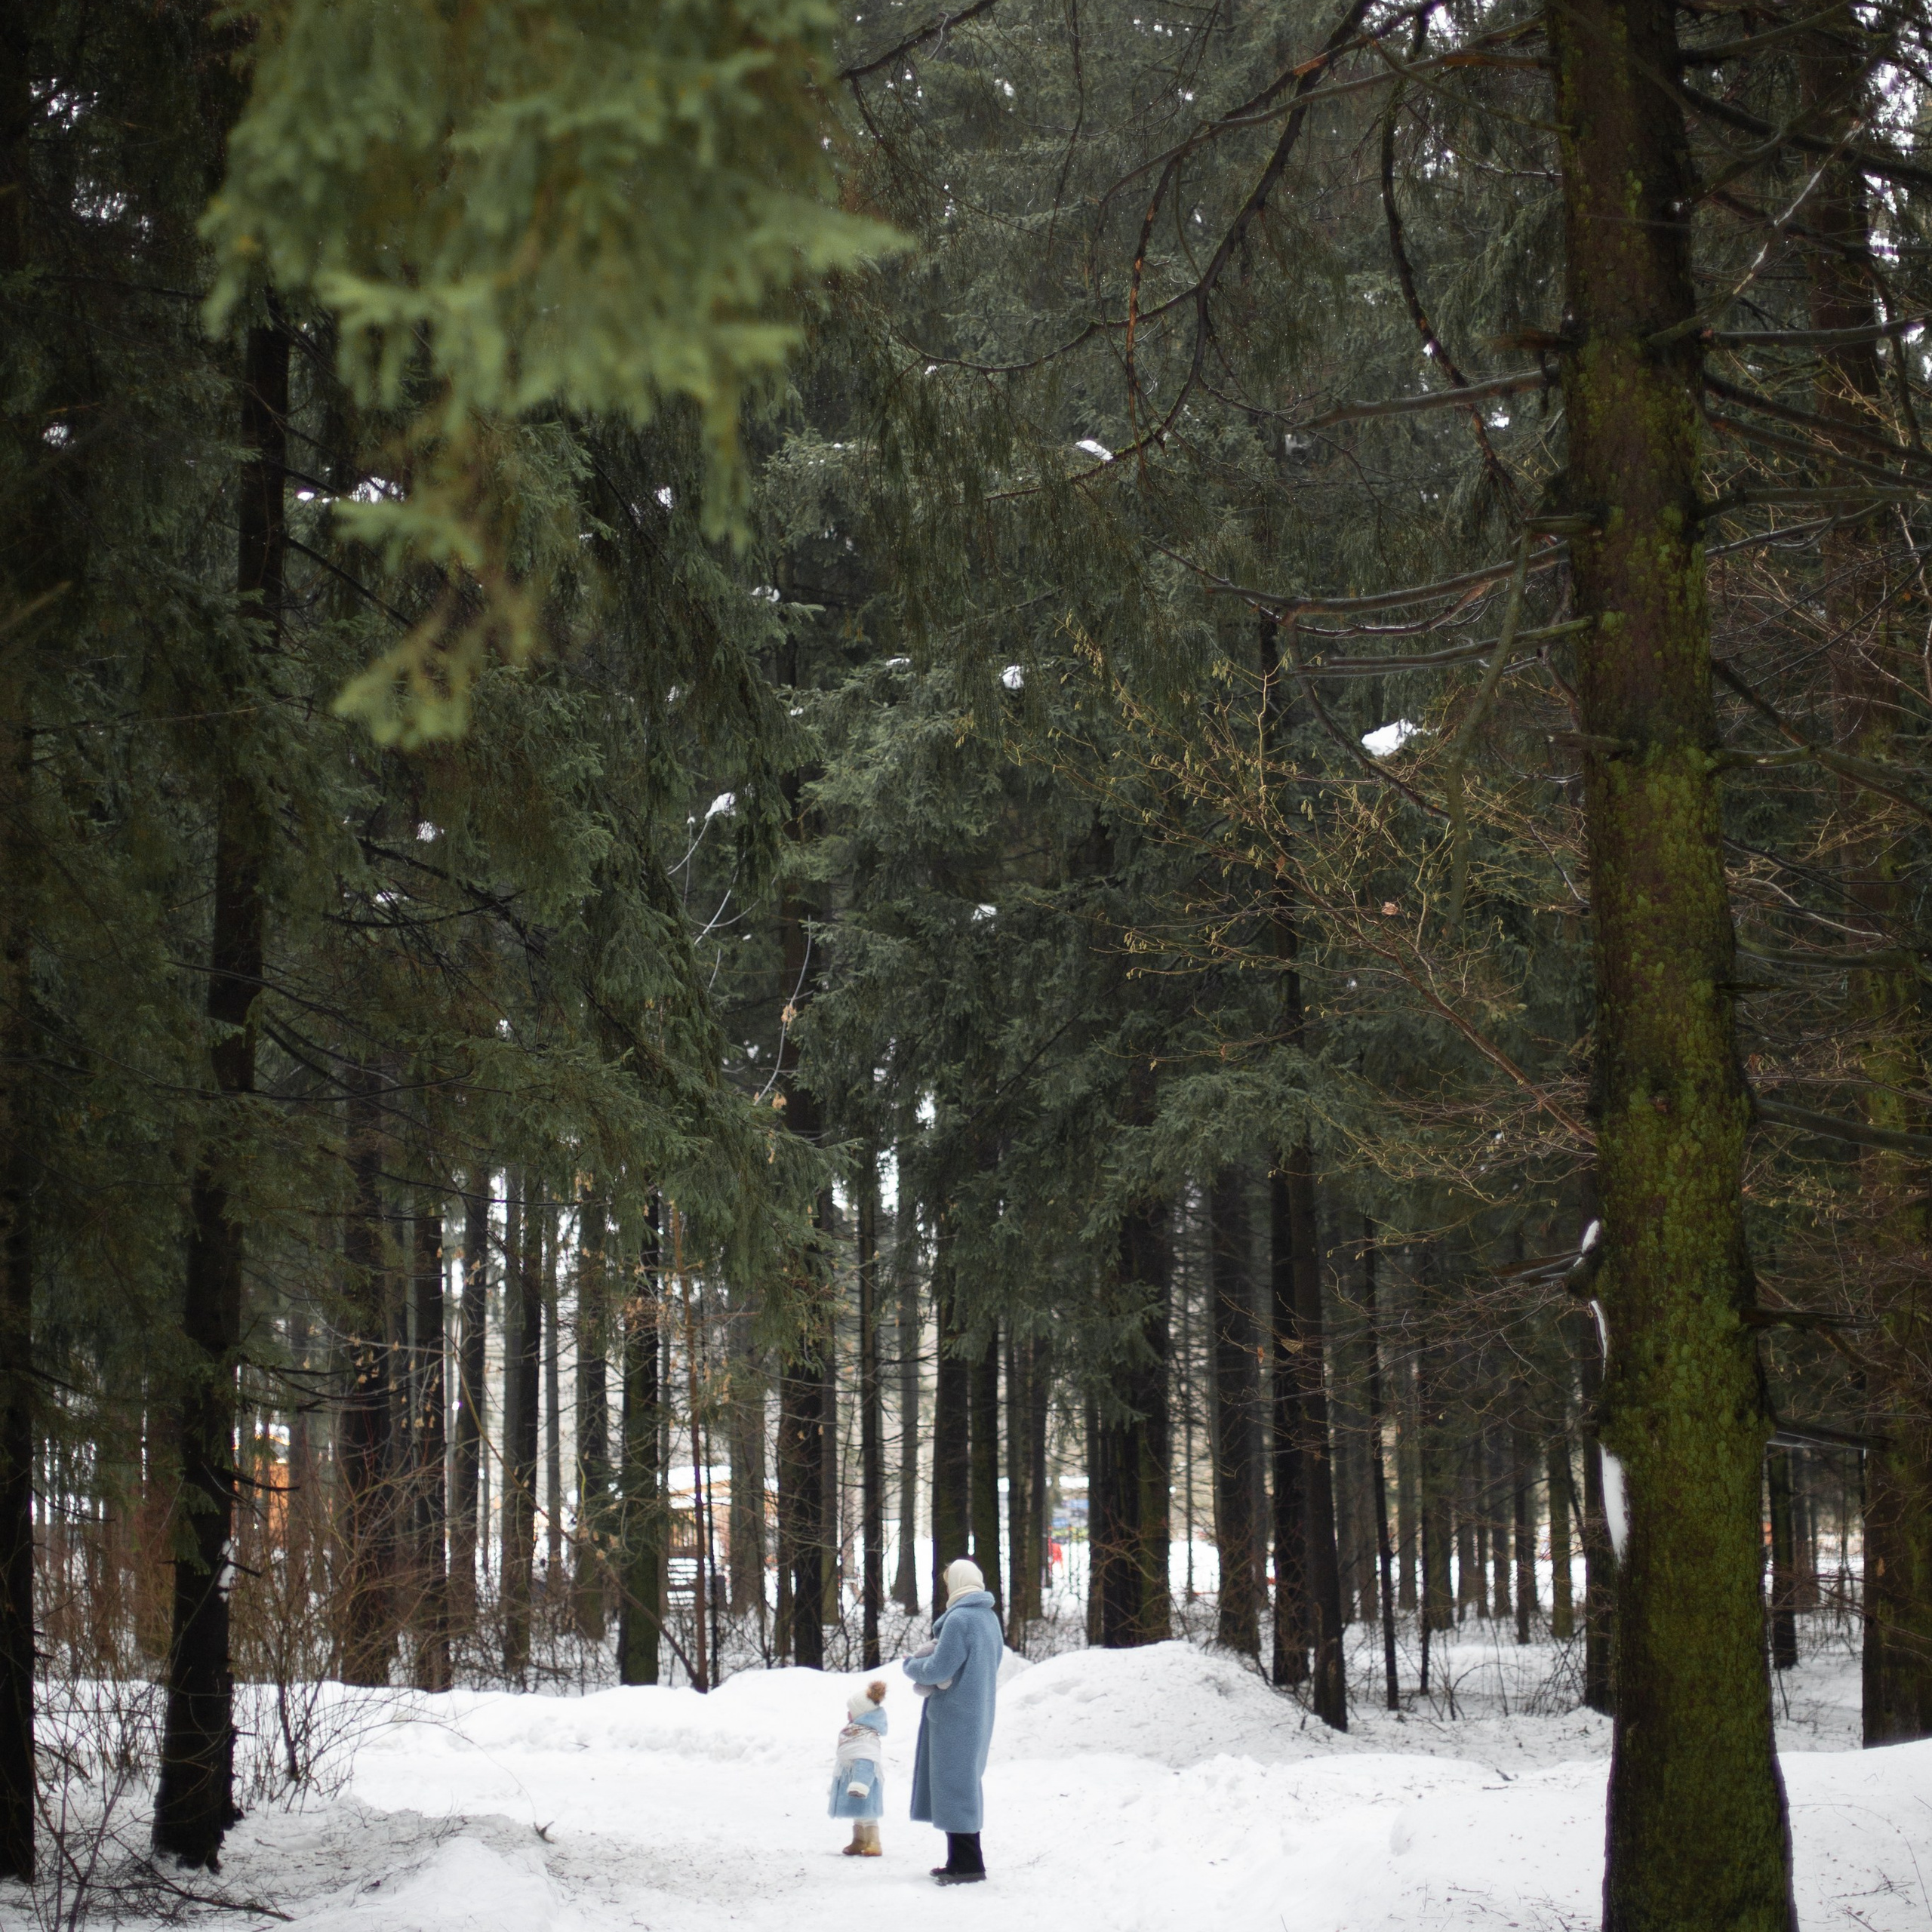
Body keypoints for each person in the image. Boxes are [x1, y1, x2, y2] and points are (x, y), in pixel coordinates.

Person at [903, 1556, 1002, 1885]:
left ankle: (968, 1865)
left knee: (955, 1788)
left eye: (948, 1583)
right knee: (963, 1785)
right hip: (978, 1713)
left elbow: (938, 1669)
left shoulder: (960, 1620)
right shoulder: (988, 1619)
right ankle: (958, 1861)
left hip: (955, 1717)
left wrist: (911, 1666)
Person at [829, 1679, 889, 1857]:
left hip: (864, 1782)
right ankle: (859, 1840)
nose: (848, 1714)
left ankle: (874, 1842)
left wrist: (861, 1783)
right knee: (858, 1813)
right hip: (851, 1778)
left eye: (851, 1711)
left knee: (867, 1813)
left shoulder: (866, 1736)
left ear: (861, 1714)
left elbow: (866, 1760)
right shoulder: (853, 1733)